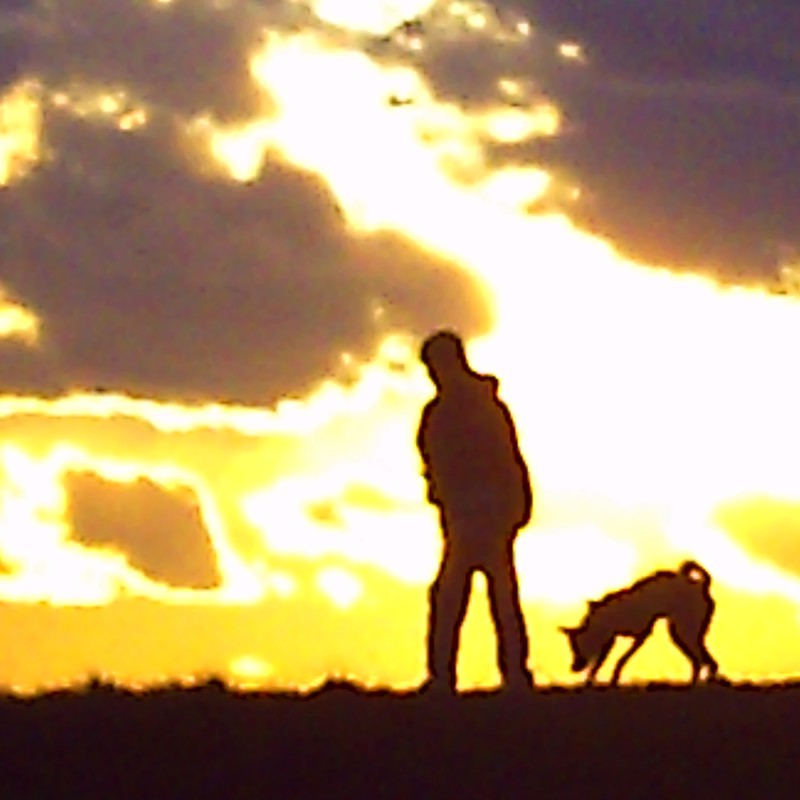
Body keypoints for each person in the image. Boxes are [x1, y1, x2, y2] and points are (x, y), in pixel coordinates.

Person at [416, 330, 533, 693]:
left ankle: (509, 675)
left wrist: (516, 506)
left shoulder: (479, 409)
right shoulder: (441, 412)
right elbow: (432, 463)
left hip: (487, 515)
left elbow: (508, 459)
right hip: (464, 516)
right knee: (461, 596)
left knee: (485, 596)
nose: (433, 375)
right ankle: (449, 677)